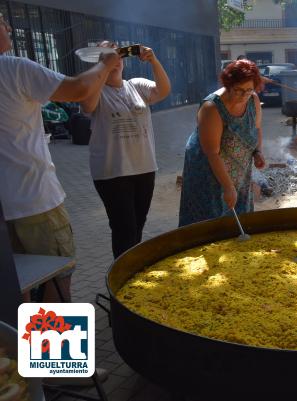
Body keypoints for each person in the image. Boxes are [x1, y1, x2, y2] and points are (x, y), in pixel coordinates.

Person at [0, 13, 120, 302]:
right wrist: (106, 62)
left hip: (5, 208)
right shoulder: (14, 69)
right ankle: (54, 349)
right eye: (2, 21)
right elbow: (79, 90)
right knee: (57, 280)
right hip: (35, 201)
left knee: (16, 287)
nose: (9, 27)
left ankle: (20, 346)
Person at [80, 41, 171, 259]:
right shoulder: (95, 90)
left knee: (137, 226)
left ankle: (132, 273)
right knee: (124, 229)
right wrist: (102, 67)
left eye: (117, 55)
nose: (115, 60)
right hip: (112, 173)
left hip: (144, 168)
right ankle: (121, 280)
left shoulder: (136, 85)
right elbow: (87, 107)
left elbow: (164, 90)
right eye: (107, 55)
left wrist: (154, 61)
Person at [179, 59, 266, 226]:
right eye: (239, 90)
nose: (244, 96)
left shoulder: (252, 100)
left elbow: (257, 128)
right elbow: (212, 152)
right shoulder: (211, 107)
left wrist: (257, 152)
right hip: (208, 168)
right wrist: (228, 187)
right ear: (228, 85)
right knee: (209, 217)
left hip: (239, 167)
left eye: (249, 90)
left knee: (240, 214)